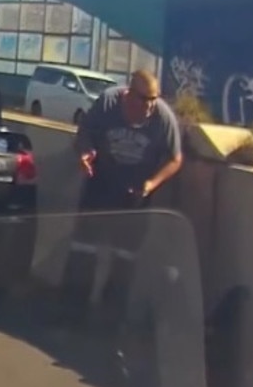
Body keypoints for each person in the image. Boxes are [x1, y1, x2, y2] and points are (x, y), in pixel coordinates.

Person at [62, 69, 184, 325]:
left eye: (154, 99)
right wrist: (85, 154)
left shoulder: (162, 118)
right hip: (100, 185)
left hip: (134, 195)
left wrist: (152, 183)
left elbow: (175, 159)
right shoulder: (108, 103)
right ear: (129, 94)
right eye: (144, 99)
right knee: (83, 250)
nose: (149, 105)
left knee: (125, 259)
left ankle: (110, 318)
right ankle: (71, 311)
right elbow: (84, 133)